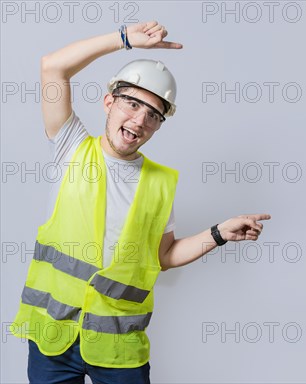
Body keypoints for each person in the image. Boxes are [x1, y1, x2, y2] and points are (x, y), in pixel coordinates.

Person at [10, 21, 271, 383]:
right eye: (132, 104)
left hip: (118, 345)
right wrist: (122, 40)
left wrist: (218, 233)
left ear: (159, 125)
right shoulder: (71, 147)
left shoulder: (161, 184)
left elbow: (163, 257)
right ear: (108, 102)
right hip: (52, 337)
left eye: (153, 114)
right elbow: (53, 66)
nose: (139, 119)